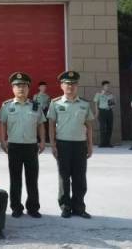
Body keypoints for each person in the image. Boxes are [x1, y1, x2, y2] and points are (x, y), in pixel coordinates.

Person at [47, 70, 94, 219]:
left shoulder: (84, 104)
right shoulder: (55, 103)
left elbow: (89, 126)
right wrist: (53, 145)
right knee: (64, 176)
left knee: (80, 177)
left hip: (80, 144)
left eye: (73, 84)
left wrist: (90, 145)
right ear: (62, 85)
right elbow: (51, 125)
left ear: (77, 86)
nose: (70, 86)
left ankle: (79, 207)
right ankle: (65, 206)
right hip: (63, 144)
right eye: (67, 83)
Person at [0, 72, 46, 219]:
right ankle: (16, 207)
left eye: (24, 86)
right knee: (15, 179)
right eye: (18, 86)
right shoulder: (7, 106)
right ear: (12, 88)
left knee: (32, 179)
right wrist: (2, 140)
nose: (21, 89)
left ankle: (33, 208)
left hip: (31, 146)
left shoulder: (35, 106)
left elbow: (40, 125)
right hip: (14, 146)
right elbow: (2, 124)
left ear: (28, 88)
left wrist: (43, 141)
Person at [93, 80, 115, 147]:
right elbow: (96, 103)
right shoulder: (98, 94)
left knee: (109, 127)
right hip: (102, 111)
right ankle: (102, 143)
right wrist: (97, 112)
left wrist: (112, 105)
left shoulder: (110, 95)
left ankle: (108, 143)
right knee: (102, 127)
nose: (108, 87)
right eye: (106, 86)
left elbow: (112, 104)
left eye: (109, 86)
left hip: (109, 111)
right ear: (103, 86)